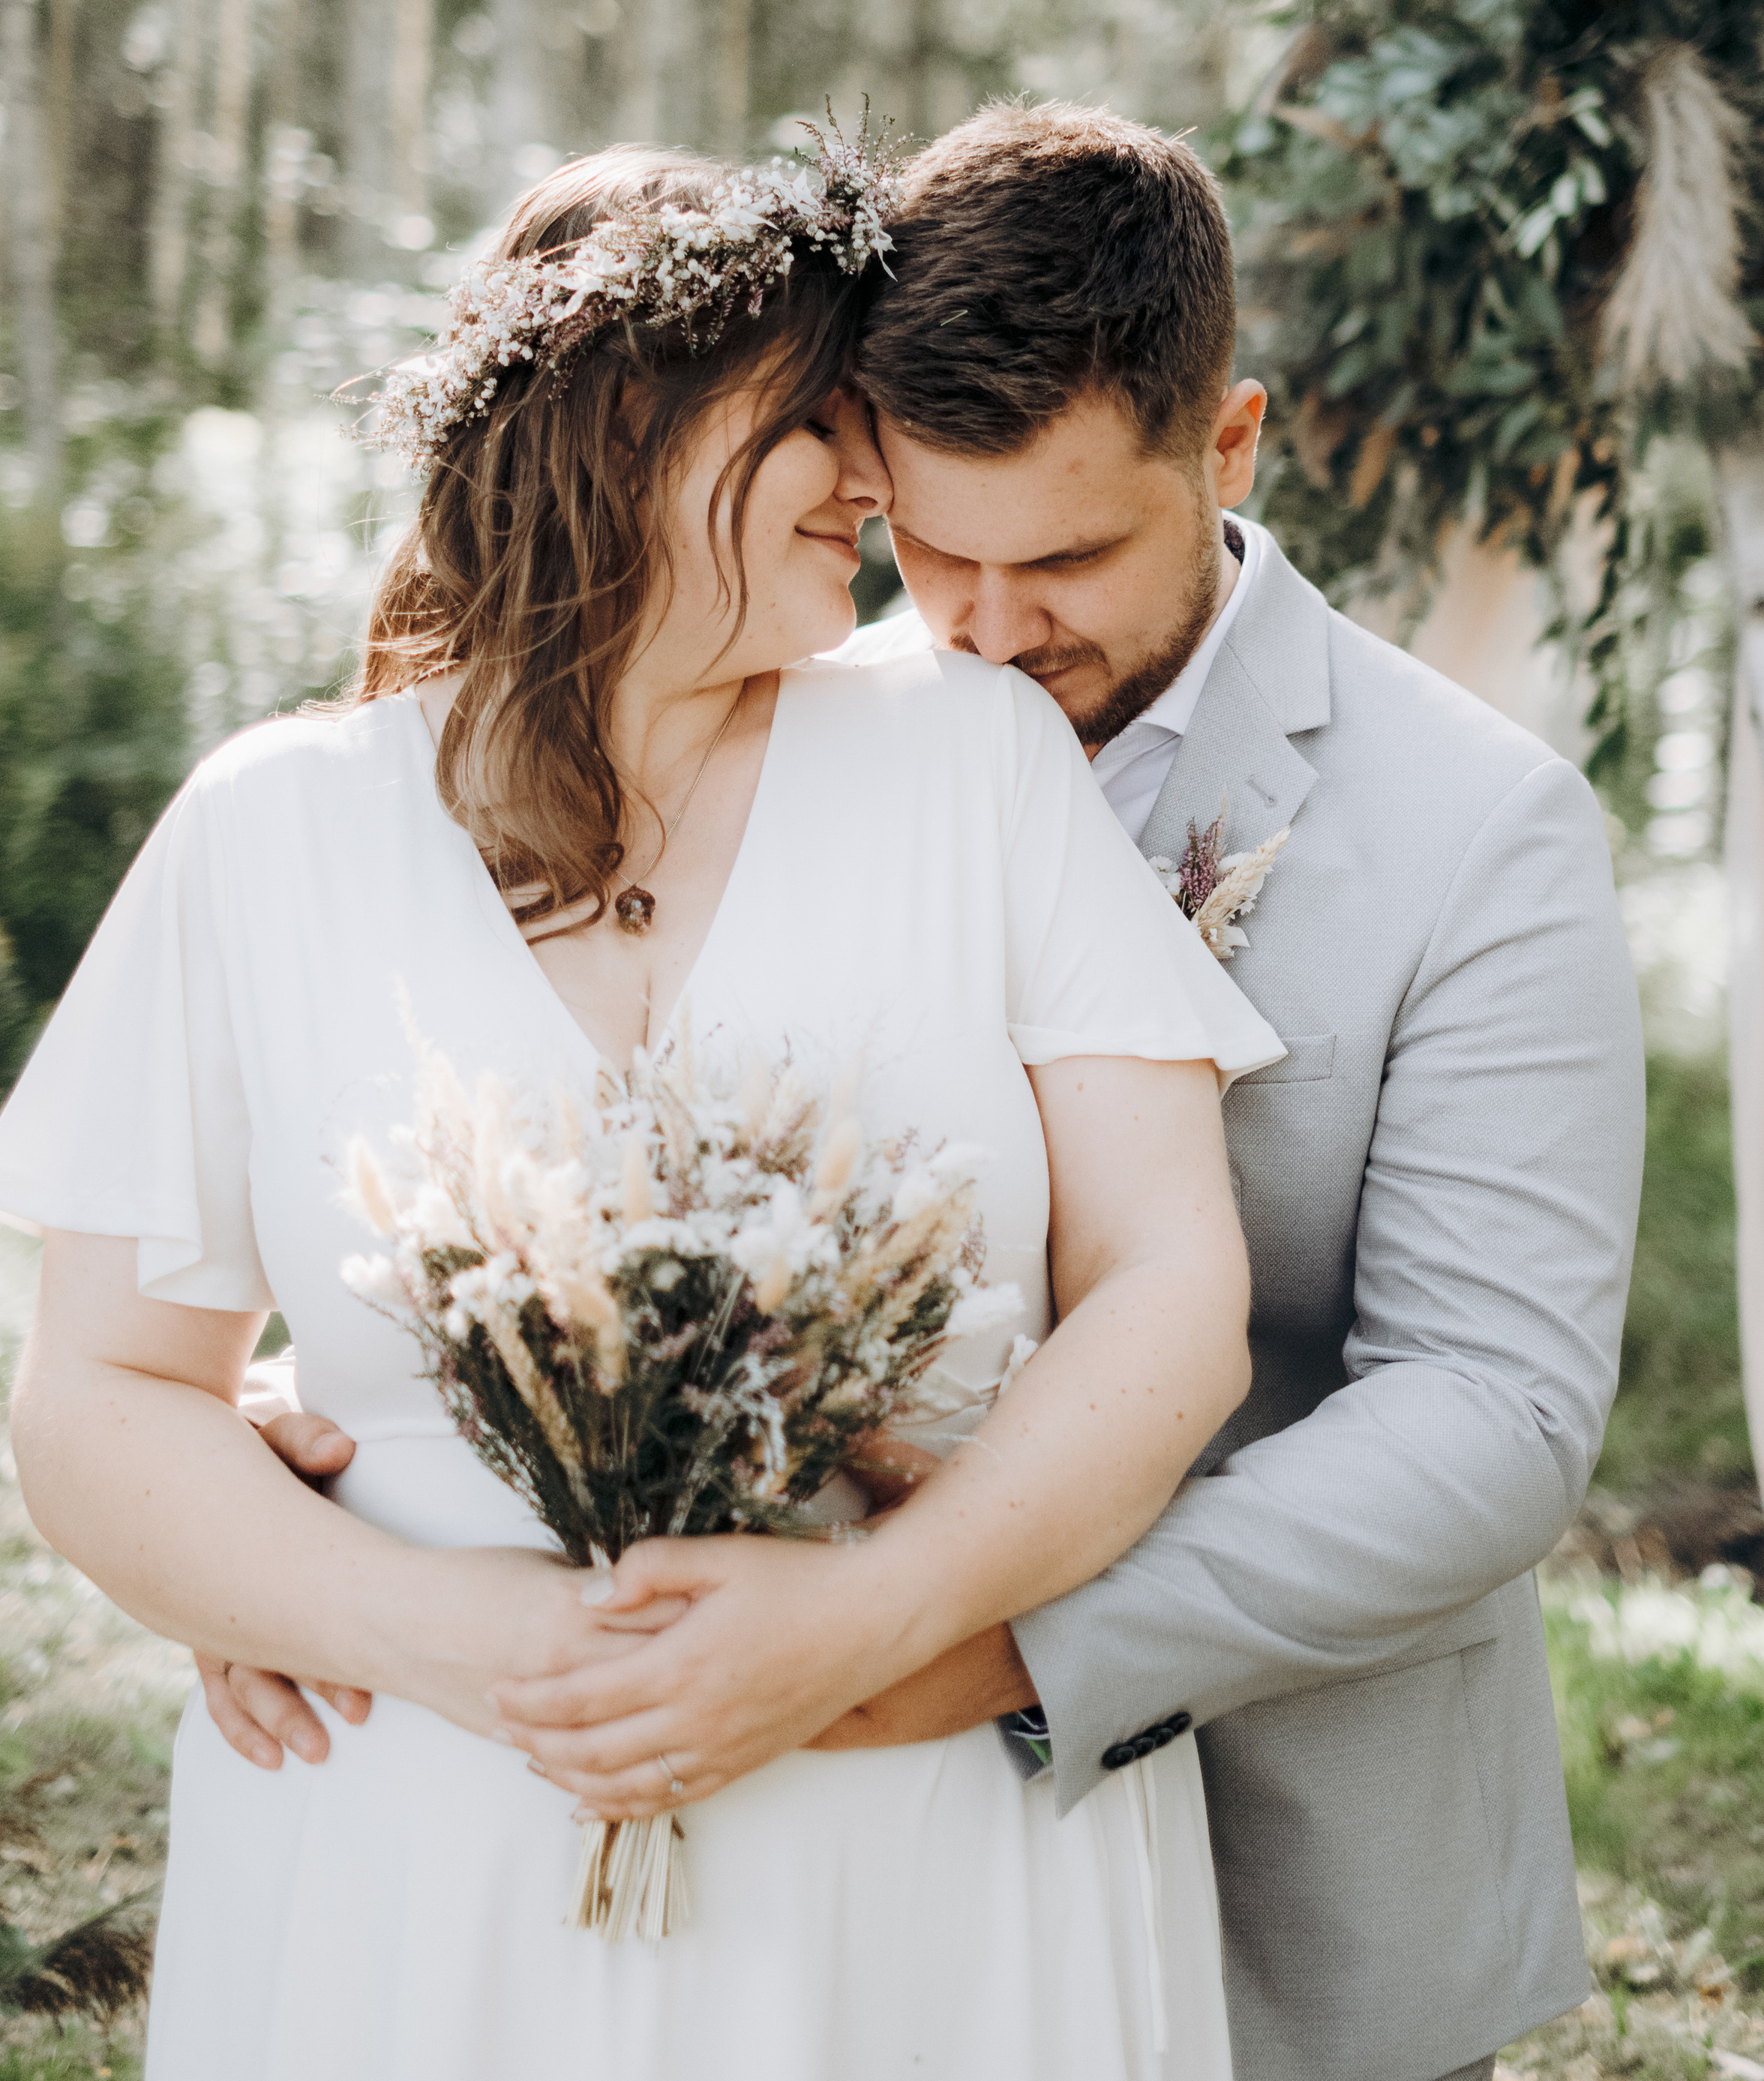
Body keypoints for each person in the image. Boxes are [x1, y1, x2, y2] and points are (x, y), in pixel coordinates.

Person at [206, 101, 1646, 2081]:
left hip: (1294, 1854)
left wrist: (967, 1640)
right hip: (850, 1881)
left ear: (1227, 446)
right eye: (927, 549)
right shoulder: (774, 727)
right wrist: (385, 1440)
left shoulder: (1485, 826)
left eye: (1061, 557)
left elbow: (1494, 1410)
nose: (978, 629)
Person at [0, 139, 1284, 2081]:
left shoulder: (979, 761)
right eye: (812, 418)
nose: (873, 481)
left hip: (921, 1851)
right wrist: (471, 1651)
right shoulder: (275, 829)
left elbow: (1174, 1288)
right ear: (621, 419)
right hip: (412, 1859)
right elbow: (99, 1398)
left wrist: (867, 1627)